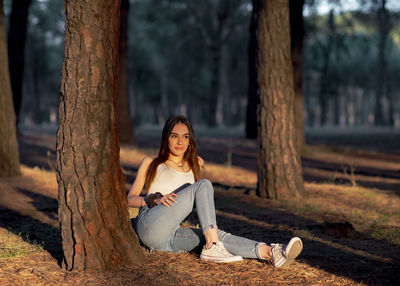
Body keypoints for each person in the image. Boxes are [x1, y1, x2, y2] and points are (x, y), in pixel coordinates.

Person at [127, 115, 303, 265]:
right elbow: (130, 198)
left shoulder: (197, 164)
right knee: (204, 185)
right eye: (174, 136)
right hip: (150, 224)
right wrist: (153, 200)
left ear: (190, 140)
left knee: (217, 236)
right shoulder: (151, 163)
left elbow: (198, 201)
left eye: (185, 137)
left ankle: (271, 253)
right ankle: (212, 247)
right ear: (166, 138)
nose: (180, 142)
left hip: (169, 237)